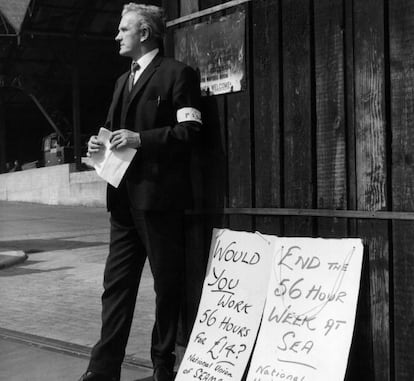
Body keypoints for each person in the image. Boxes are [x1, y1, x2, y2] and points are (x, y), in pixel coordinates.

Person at [79, 4, 202, 381]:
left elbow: (191, 132)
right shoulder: (121, 81)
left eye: (123, 29)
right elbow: (115, 131)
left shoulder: (178, 74)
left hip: (158, 201)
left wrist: (140, 139)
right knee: (115, 288)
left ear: (145, 33)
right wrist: (99, 147)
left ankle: (162, 365)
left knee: (166, 286)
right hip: (122, 202)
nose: (117, 36)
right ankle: (102, 371)